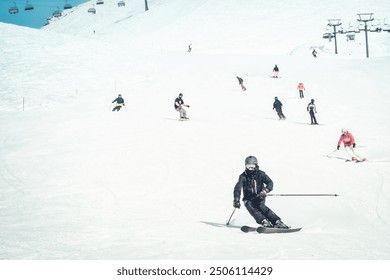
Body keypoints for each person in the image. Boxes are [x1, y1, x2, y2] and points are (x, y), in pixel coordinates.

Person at [233, 156, 289, 228]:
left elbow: (270, 183)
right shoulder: (243, 176)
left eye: (252, 166)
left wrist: (266, 190)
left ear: (256, 165)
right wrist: (236, 199)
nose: (250, 169)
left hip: (260, 196)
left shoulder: (261, 174)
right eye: (248, 166)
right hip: (248, 198)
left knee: (262, 207)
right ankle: (264, 221)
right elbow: (238, 188)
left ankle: (277, 221)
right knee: (251, 207)